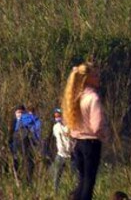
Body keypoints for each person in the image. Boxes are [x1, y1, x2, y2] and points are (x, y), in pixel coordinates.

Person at [64, 62, 109, 200]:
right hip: (91, 143)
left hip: (77, 143)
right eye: (95, 75)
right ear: (88, 78)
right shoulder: (93, 98)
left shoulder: (76, 97)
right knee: (89, 182)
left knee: (82, 179)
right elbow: (96, 126)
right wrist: (104, 134)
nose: (98, 78)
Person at [12, 103, 42, 184]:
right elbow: (36, 132)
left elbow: (15, 131)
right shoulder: (35, 119)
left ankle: (18, 180)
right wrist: (38, 143)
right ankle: (28, 182)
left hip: (17, 142)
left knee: (18, 161)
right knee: (29, 162)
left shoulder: (20, 119)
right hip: (24, 142)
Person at [50, 108, 73, 193]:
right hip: (60, 155)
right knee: (56, 176)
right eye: (55, 116)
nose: (57, 118)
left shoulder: (70, 126)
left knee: (72, 176)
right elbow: (58, 139)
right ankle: (55, 193)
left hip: (71, 155)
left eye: (59, 116)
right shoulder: (56, 127)